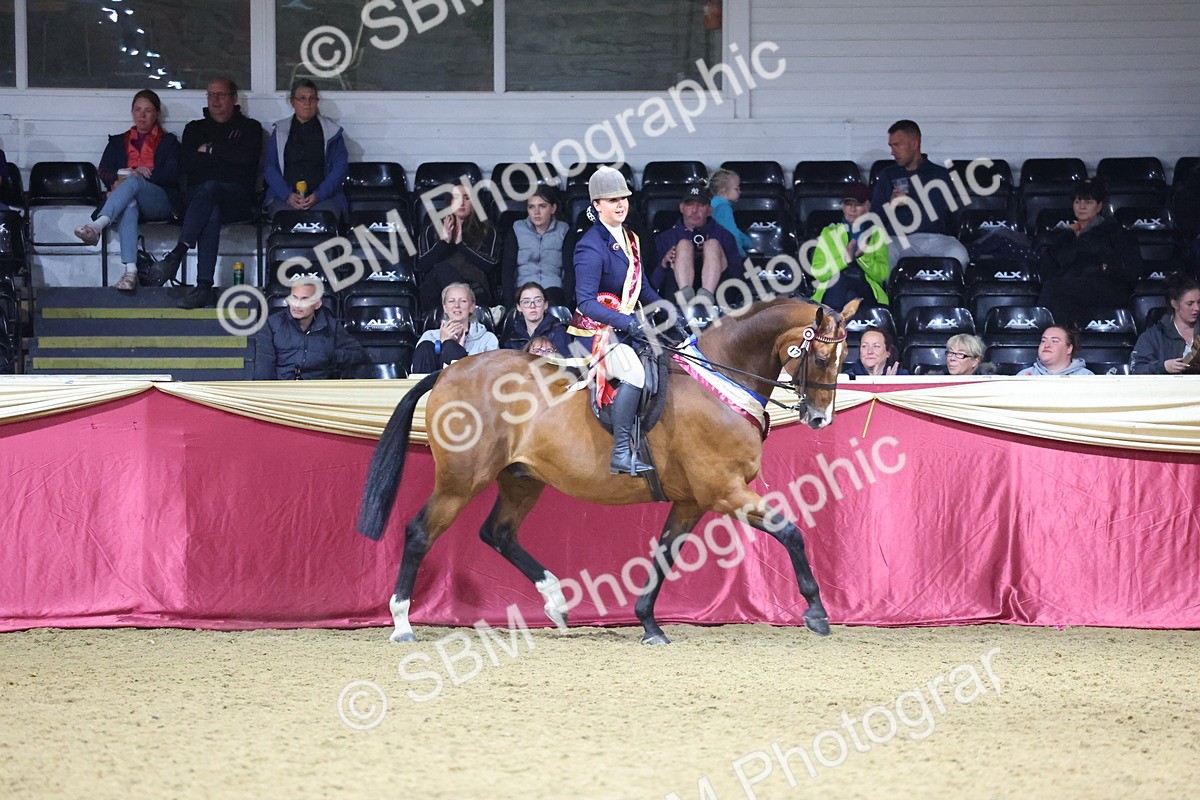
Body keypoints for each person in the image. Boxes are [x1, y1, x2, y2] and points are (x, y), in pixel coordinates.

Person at [568, 166, 668, 476]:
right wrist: (627, 324)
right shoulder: (589, 245)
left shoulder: (631, 238)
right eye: (612, 200)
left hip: (626, 327)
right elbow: (585, 302)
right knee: (635, 374)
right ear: (597, 205)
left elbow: (644, 289)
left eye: (623, 198)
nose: (621, 204)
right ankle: (622, 452)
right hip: (596, 332)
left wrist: (670, 312)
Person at [150, 77, 263, 309]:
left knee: (210, 190)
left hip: (238, 199)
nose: (215, 100)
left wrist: (209, 150)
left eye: (221, 95)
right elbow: (185, 164)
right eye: (211, 95)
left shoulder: (249, 128)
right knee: (209, 205)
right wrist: (224, 154)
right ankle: (202, 288)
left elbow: (246, 159)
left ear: (234, 98)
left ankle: (179, 255)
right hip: (199, 201)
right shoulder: (194, 129)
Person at [73, 89, 181, 294]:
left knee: (132, 183)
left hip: (160, 200)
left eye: (148, 110)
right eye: (138, 110)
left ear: (156, 114)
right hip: (127, 199)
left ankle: (97, 226)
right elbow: (103, 171)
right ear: (132, 112)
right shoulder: (117, 141)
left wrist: (140, 177)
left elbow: (172, 173)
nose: (142, 115)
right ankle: (131, 272)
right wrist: (116, 182)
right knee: (129, 201)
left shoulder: (169, 142)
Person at [1036, 178, 1142, 328]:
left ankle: (1048, 335)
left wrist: (1105, 268)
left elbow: (1132, 269)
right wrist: (1068, 234)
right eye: (1078, 201)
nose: (1082, 207)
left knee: (1054, 288)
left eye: (1088, 202)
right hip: (1070, 286)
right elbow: (1052, 263)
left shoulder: (1116, 233)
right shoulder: (1065, 234)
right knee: (1054, 288)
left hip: (1106, 287)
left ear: (1099, 206)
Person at [870, 120, 970, 269]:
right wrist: (891, 206)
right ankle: (889, 292)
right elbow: (873, 220)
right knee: (885, 254)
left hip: (935, 239)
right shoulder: (888, 175)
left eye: (897, 145)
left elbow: (955, 216)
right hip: (898, 240)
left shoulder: (940, 175)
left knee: (959, 254)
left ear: (914, 144)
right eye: (891, 146)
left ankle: (945, 292)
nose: (892, 152)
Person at [263, 79, 349, 221]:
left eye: (312, 99)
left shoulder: (332, 132)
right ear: (292, 102)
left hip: (323, 198)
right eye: (302, 99)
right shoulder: (280, 131)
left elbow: (340, 169)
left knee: (325, 219)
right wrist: (287, 195)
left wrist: (318, 195)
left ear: (317, 102)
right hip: (286, 198)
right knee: (285, 220)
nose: (307, 103)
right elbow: (269, 168)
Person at [252, 281, 366, 380]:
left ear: (317, 304)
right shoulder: (271, 324)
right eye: (294, 298)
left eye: (304, 299)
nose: (297, 305)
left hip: (318, 391)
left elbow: (360, 354)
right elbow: (263, 368)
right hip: (283, 391)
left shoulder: (331, 325)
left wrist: (332, 354)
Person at [416, 183, 501, 311]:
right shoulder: (432, 228)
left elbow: (490, 265)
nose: (461, 203)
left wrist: (461, 245)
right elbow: (421, 265)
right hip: (438, 292)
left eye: (467, 198)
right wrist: (444, 242)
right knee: (441, 268)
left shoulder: (487, 230)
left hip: (475, 291)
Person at [652, 185, 740, 303]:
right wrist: (664, 263)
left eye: (701, 205)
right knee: (683, 245)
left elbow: (738, 280)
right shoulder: (665, 238)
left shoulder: (724, 236)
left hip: (718, 298)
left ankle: (704, 301)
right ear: (681, 208)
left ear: (709, 210)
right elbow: (653, 285)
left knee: (712, 244)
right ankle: (687, 299)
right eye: (690, 204)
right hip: (677, 300)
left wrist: (716, 256)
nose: (694, 210)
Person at [809, 182, 890, 309]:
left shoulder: (877, 234)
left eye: (858, 204)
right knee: (841, 282)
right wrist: (844, 261)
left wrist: (862, 257)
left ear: (868, 206)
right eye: (848, 204)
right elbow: (818, 272)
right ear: (842, 206)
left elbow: (882, 275)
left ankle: (834, 324)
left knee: (851, 293)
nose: (852, 209)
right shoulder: (829, 233)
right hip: (834, 290)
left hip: (864, 289)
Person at [501, 185, 571, 307]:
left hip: (553, 289)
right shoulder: (517, 229)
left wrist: (568, 300)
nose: (536, 212)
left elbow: (570, 269)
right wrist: (508, 303)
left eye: (542, 206)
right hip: (523, 287)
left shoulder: (564, 230)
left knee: (550, 303)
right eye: (531, 207)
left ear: (553, 208)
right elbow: (507, 269)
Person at [410, 282, 499, 373]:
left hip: (470, 384)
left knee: (451, 347)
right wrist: (442, 343)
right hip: (431, 385)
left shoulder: (488, 339)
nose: (457, 305)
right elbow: (416, 368)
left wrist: (456, 351)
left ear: (472, 307)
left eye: (463, 301)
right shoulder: (429, 336)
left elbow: (492, 372)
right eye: (451, 301)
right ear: (445, 307)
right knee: (426, 346)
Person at [1130, 273, 1200, 374]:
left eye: (1199, 302)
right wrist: (1163, 367)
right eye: (1190, 303)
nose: (1196, 308)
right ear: (1174, 304)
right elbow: (1136, 369)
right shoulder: (1154, 336)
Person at [500, 282, 573, 355]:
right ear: (519, 307)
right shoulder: (513, 337)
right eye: (526, 302)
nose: (532, 306)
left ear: (545, 305)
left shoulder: (559, 332)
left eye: (538, 301)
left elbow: (566, 363)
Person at [708, 168, 755, 258]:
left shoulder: (715, 204)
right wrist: (740, 254)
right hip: (726, 255)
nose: (740, 192)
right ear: (724, 192)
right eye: (736, 189)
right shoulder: (723, 208)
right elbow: (731, 234)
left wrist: (747, 242)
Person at [1017, 326, 1094, 375]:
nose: (1046, 345)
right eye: (1043, 341)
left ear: (1069, 348)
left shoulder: (1086, 377)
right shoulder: (1024, 376)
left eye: (1055, 341)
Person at [843, 329, 907, 376]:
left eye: (876, 346)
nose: (870, 351)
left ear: (888, 352)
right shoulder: (846, 377)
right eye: (864, 346)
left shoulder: (903, 377)